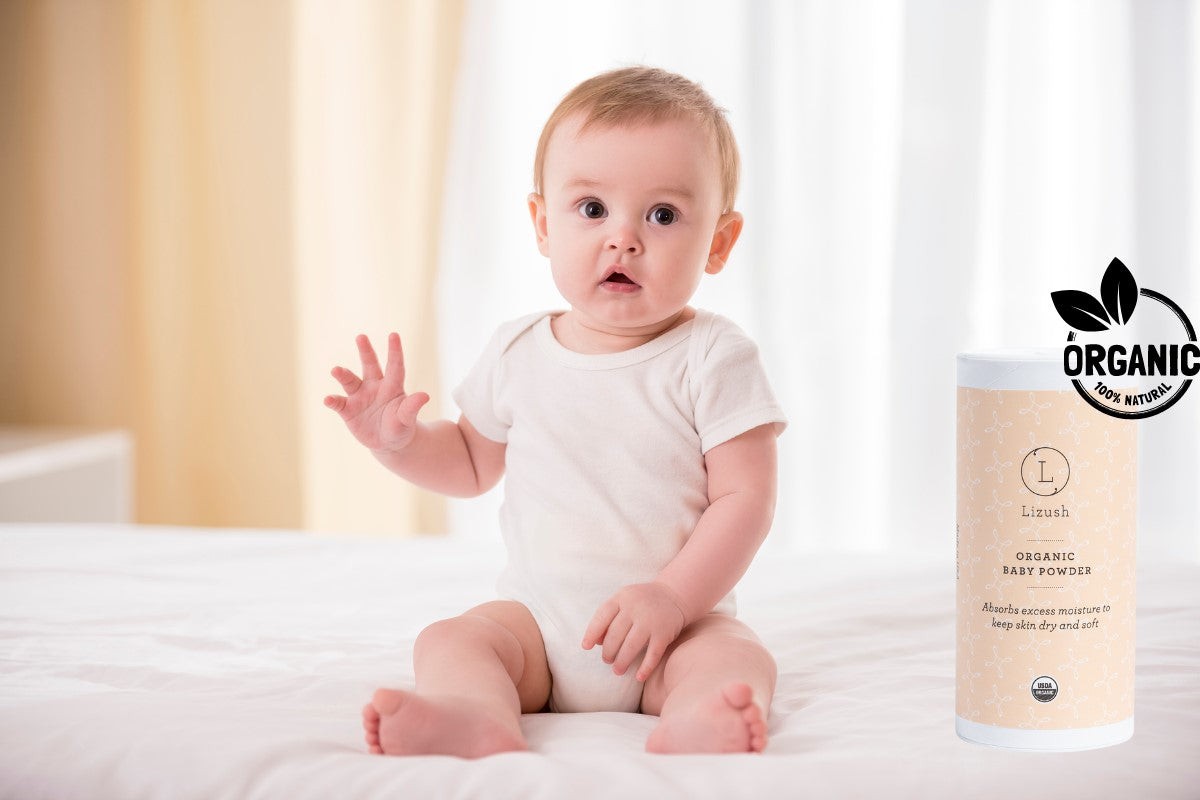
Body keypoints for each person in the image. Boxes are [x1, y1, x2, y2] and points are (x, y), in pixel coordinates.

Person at [326, 66, 787, 757]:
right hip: (538, 631)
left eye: (662, 215)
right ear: (544, 224)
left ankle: (699, 717)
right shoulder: (518, 351)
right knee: (450, 639)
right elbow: (471, 464)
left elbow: (746, 500)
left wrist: (672, 598)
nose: (623, 239)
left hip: (674, 629)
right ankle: (473, 713)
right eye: (592, 209)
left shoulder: (713, 356)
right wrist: (399, 443)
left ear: (718, 243)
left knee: (735, 656)